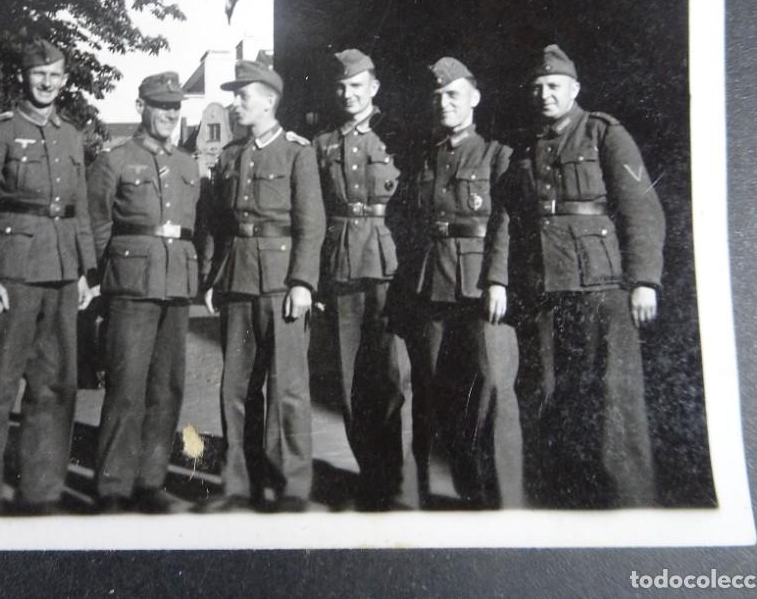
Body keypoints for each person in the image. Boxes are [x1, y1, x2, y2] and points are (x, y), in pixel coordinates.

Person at [485, 44, 665, 507]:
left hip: (601, 286)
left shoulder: (603, 133)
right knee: (549, 394)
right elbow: (507, 216)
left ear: (574, 89)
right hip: (544, 287)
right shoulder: (524, 146)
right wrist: (499, 279)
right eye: (538, 87)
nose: (545, 95)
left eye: (554, 86)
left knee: (612, 400)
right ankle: (565, 501)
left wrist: (644, 279)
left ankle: (630, 505)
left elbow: (641, 207)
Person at [0, 38, 95, 516]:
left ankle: (41, 496)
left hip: (60, 274)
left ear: (64, 79)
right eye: (39, 74)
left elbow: (79, 210)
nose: (47, 82)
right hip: (11, 274)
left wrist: (82, 271)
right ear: (24, 77)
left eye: (55, 74)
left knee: (55, 389)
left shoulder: (71, 135)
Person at [389, 57, 523, 509]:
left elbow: (505, 222)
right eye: (438, 97)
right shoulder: (427, 158)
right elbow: (412, 222)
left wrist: (499, 280)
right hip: (433, 286)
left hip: (481, 290)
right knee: (438, 394)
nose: (444, 103)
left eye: (453, 95)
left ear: (474, 99)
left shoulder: (496, 155)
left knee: (492, 387)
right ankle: (466, 495)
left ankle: (506, 501)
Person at [198, 59, 325, 513]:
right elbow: (216, 222)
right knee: (236, 387)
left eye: (243, 96)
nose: (235, 104)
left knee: (287, 387)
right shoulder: (232, 155)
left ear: (268, 101)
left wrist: (303, 282)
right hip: (237, 279)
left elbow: (312, 224)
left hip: (282, 283)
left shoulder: (296, 152)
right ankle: (238, 484)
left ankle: (290, 485)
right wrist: (212, 276)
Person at [87, 72, 204, 514]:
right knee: (127, 387)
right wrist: (102, 277)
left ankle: (150, 480)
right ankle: (113, 486)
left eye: (175, 108)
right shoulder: (115, 160)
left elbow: (199, 225)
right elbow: (97, 225)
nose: (170, 116)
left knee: (167, 387)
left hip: (176, 286)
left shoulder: (188, 164)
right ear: (142, 107)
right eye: (161, 107)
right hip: (131, 286)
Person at [311, 49, 416, 511]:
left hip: (388, 265)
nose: (349, 95)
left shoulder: (399, 136)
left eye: (357, 86)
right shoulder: (322, 145)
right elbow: (313, 216)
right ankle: (370, 473)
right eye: (342, 87)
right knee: (349, 376)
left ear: (374, 88)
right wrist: (313, 278)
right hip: (340, 267)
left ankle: (396, 478)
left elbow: (415, 206)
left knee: (391, 377)